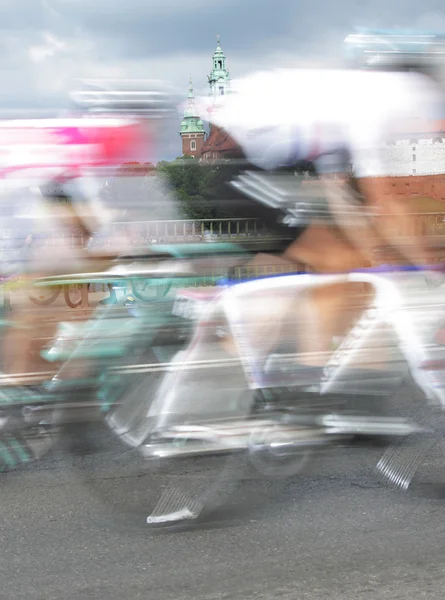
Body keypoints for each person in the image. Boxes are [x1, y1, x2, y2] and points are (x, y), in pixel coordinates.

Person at [196, 31, 445, 366]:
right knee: (337, 259)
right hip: (231, 165)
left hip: (234, 163)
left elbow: (345, 200)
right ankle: (313, 380)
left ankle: (227, 366)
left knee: (318, 265)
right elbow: (387, 201)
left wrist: (382, 251)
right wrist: (431, 266)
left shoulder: (346, 101)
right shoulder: (400, 97)